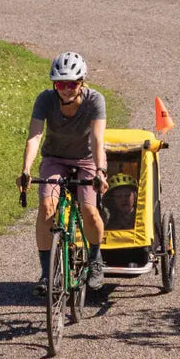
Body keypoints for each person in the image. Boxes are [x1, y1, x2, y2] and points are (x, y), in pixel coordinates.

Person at [17, 51, 110, 292]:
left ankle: (95, 260)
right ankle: (47, 273)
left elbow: (98, 140)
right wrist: (26, 169)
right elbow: (35, 135)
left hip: (87, 160)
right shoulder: (45, 100)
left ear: (81, 83)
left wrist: (100, 171)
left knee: (89, 210)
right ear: (53, 84)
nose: (66, 89)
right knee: (47, 207)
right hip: (54, 158)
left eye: (72, 84)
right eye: (60, 83)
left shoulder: (95, 100)